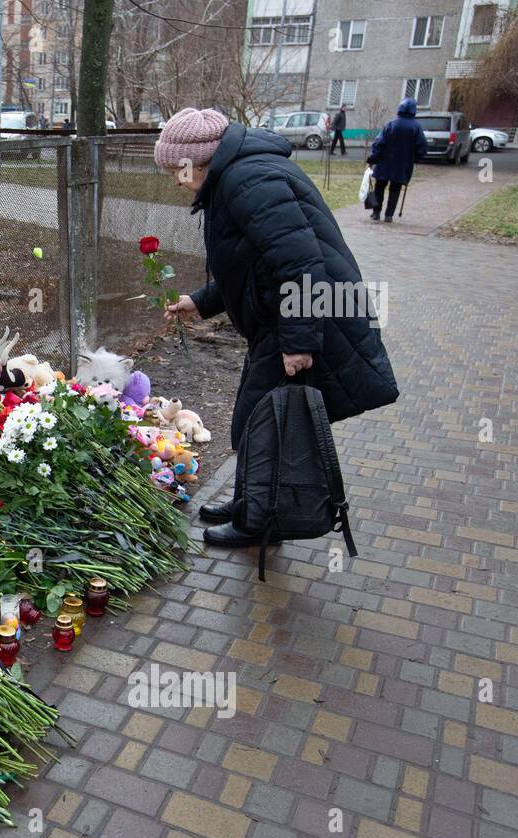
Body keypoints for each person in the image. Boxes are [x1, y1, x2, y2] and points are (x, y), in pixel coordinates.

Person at [155, 107, 399, 548]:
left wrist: (299, 340)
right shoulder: (238, 176)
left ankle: (260, 521)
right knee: (258, 418)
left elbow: (299, 261)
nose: (176, 179)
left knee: (263, 422)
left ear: (201, 158)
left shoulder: (250, 181)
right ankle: (252, 501)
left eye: (177, 168)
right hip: (280, 318)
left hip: (297, 320)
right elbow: (251, 264)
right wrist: (200, 300)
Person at [367, 97, 427, 223]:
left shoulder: (390, 124)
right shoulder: (416, 127)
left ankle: (376, 212)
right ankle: (389, 215)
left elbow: (379, 143)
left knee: (379, 188)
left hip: (384, 163)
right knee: (395, 190)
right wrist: (415, 158)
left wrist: (372, 159)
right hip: (402, 165)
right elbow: (422, 147)